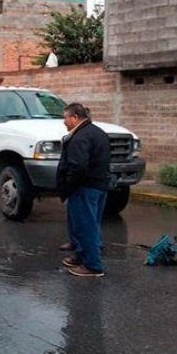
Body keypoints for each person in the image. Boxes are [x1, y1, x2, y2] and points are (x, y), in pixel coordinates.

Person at [56, 103, 110, 278]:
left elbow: (78, 167)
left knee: (85, 226)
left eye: (65, 118)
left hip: (84, 188)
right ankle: (81, 257)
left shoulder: (79, 137)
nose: (64, 122)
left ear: (75, 118)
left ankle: (93, 265)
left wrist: (68, 186)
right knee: (89, 224)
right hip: (99, 185)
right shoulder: (98, 132)